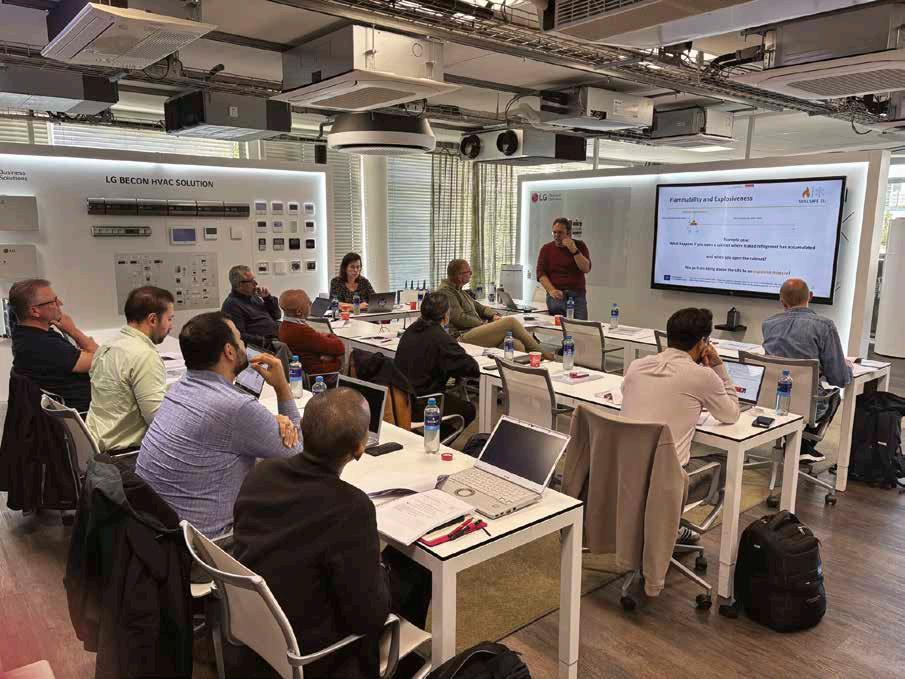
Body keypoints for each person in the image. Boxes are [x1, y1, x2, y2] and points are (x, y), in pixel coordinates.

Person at [232, 388, 431, 679]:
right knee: (417, 569)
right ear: (359, 450)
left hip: (260, 627)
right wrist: (378, 569)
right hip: (315, 653)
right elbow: (368, 617)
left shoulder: (261, 474)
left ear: (303, 429)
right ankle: (400, 665)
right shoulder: (351, 507)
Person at [136, 312, 301, 538]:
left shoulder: (179, 388)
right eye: (239, 338)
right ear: (229, 351)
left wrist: (265, 421)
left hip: (155, 532)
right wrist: (282, 387)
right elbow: (299, 457)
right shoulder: (236, 407)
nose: (243, 344)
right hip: (208, 545)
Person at [621, 307, 740, 530]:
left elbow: (627, 392)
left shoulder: (637, 366)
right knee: (726, 462)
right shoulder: (703, 376)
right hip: (667, 483)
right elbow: (731, 414)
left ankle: (666, 527)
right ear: (703, 343)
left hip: (624, 472)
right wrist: (718, 366)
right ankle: (674, 529)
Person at [762, 277, 853, 462]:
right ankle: (803, 445)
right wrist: (848, 367)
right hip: (808, 405)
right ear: (810, 296)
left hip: (772, 400)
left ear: (782, 301)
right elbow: (839, 378)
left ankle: (797, 445)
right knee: (834, 395)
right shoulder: (825, 326)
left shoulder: (768, 324)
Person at [86, 286, 175, 453]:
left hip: (99, 448)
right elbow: (158, 420)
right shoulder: (144, 355)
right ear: (153, 320)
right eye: (169, 319)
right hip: (127, 455)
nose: (171, 326)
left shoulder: (107, 346)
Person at [9, 278, 96, 413]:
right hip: (86, 413)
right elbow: (101, 360)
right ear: (35, 311)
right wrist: (73, 331)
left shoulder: (25, 335)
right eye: (53, 301)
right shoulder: (42, 345)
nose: (60, 303)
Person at [396, 292, 480, 432]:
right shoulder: (441, 339)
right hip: (424, 403)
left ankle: (433, 434)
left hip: (402, 399)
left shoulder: (410, 331)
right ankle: (437, 439)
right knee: (468, 409)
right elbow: (473, 369)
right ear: (446, 315)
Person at [437, 259, 553, 359]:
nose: (471, 274)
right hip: (461, 337)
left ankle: (516, 375)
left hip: (473, 332)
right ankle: (542, 353)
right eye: (469, 272)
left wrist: (493, 315)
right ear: (459, 275)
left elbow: (480, 307)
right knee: (510, 322)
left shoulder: (459, 290)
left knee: (516, 344)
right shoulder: (446, 292)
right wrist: (484, 324)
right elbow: (460, 318)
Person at [278, 288, 345, 377]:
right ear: (299, 312)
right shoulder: (302, 331)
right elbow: (339, 347)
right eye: (308, 302)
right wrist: (331, 335)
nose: (311, 304)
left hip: (306, 369)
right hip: (318, 375)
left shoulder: (284, 326)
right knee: (347, 357)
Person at [536, 217, 592, 320]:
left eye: (560, 233)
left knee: (581, 326)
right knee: (559, 324)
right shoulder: (546, 249)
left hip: (577, 295)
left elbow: (586, 268)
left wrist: (574, 250)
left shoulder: (580, 245)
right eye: (554, 232)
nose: (556, 236)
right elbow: (541, 274)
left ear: (569, 233)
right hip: (557, 294)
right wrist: (552, 290)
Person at [221, 265, 281, 349]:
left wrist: (267, 298)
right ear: (239, 284)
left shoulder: (254, 297)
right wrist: (266, 342)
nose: (256, 283)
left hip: (276, 337)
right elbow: (239, 335)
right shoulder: (231, 305)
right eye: (251, 281)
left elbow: (277, 315)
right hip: (263, 346)